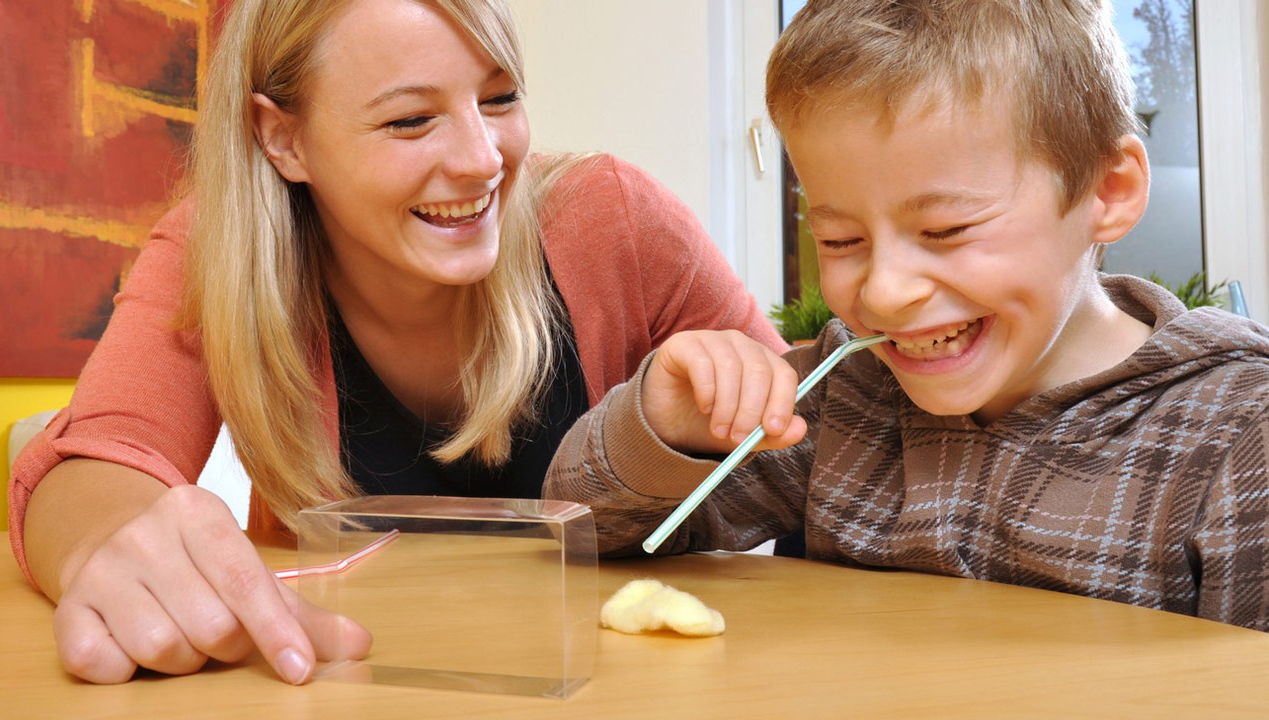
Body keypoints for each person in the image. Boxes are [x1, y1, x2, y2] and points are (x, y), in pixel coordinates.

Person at [8, 0, 786, 686]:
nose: (483, 159)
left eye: (499, 97)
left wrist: (702, 425)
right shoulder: (216, 253)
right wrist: (109, 543)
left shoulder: (614, 220)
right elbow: (94, 463)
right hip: (344, 687)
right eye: (411, 120)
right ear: (283, 139)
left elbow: (813, 441)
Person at [544, 0, 1269, 632]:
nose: (885, 293)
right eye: (840, 240)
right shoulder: (844, 395)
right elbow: (581, 537)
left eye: (946, 230)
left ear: (1107, 192)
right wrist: (663, 430)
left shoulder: (1240, 435)